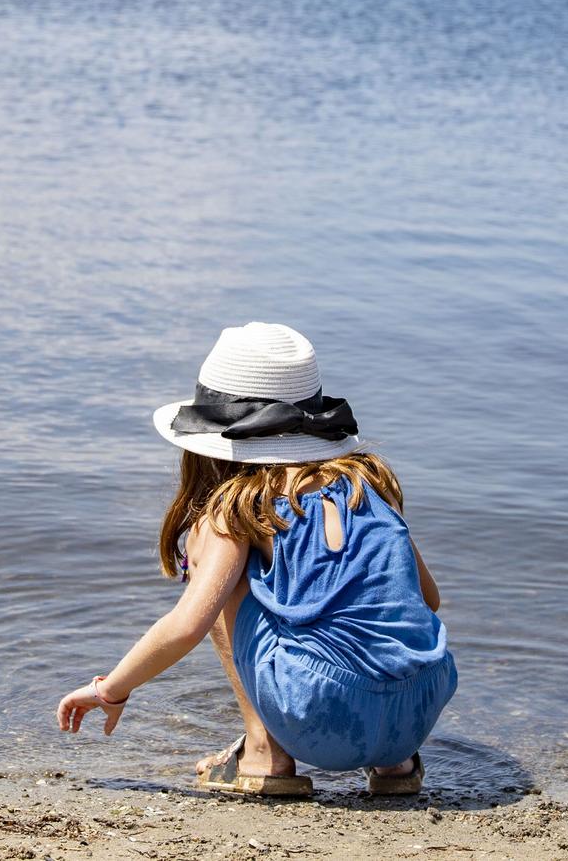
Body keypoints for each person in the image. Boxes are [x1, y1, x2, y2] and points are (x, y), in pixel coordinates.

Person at [55, 322, 456, 797]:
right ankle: (394, 769)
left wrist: (110, 689)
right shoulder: (368, 487)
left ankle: (266, 756)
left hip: (322, 712)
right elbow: (427, 600)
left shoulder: (237, 507)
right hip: (419, 709)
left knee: (223, 574)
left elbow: (187, 626)